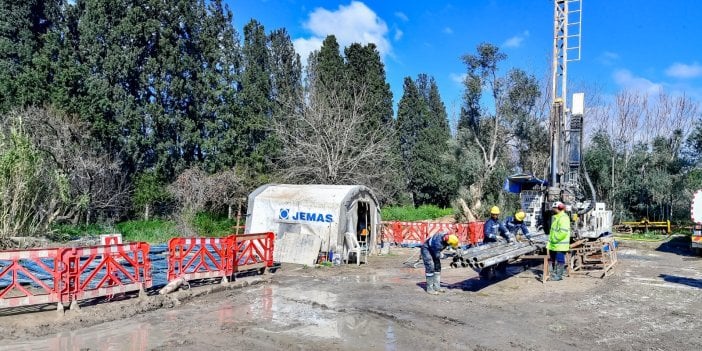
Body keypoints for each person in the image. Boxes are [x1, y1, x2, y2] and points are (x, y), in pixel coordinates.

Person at [481, 206, 512, 278]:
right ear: (491, 214)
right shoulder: (489, 223)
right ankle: (487, 273)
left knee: (494, 259)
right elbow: (487, 233)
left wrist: (509, 236)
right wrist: (496, 237)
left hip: (494, 243)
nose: (495, 215)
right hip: (488, 243)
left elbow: (504, 229)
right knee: (490, 259)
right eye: (494, 214)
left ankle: (488, 272)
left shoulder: (498, 222)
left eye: (496, 214)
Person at [548, 201, 571, 281]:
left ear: (557, 208)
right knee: (553, 259)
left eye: (553, 208)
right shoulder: (557, 217)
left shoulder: (563, 218)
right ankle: (554, 274)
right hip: (554, 244)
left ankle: (558, 276)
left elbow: (563, 232)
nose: (552, 209)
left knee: (560, 259)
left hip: (560, 244)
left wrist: (554, 239)